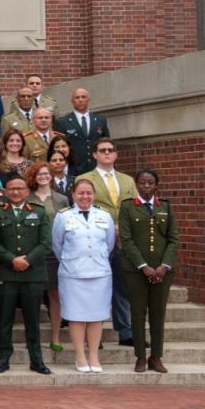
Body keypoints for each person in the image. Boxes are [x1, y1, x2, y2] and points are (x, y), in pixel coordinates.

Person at [76, 139, 138, 348]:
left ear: (116, 154)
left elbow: (134, 209)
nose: (107, 153)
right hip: (96, 241)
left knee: (123, 289)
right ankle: (95, 334)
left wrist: (124, 229)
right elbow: (83, 208)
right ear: (95, 154)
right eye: (102, 150)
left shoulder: (128, 180)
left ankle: (126, 332)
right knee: (96, 289)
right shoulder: (85, 179)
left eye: (111, 150)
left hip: (123, 242)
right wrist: (110, 226)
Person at [0, 173, 53, 375]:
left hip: (32, 274)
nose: (16, 192)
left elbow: (46, 243)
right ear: (5, 191)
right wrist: (12, 260)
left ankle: (36, 360)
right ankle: (3, 358)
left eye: (20, 189)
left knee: (32, 320)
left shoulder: (39, 211)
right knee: (4, 319)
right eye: (12, 189)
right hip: (5, 273)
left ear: (27, 191)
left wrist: (27, 261)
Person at [117, 169, 179, 373]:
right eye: (142, 182)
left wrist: (164, 266)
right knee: (137, 313)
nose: (146, 186)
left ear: (156, 185)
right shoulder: (128, 207)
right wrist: (143, 266)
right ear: (136, 184)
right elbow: (126, 240)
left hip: (162, 271)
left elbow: (173, 239)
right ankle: (141, 357)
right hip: (135, 270)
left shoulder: (165, 207)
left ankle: (156, 357)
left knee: (158, 314)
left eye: (150, 183)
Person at [52, 180, 115, 372]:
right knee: (76, 316)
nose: (85, 197)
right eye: (81, 193)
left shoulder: (104, 215)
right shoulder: (63, 216)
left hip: (99, 273)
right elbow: (57, 244)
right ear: (73, 194)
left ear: (94, 194)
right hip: (73, 274)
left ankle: (94, 357)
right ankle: (80, 356)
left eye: (89, 193)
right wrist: (72, 261)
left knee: (96, 316)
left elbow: (109, 243)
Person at [27, 163, 70, 353]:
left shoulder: (62, 199)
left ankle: (55, 336)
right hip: (32, 251)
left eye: (46, 173)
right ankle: (33, 338)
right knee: (33, 295)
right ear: (33, 177)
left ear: (51, 176)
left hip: (54, 251)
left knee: (54, 294)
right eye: (39, 174)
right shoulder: (27, 196)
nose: (43, 176)